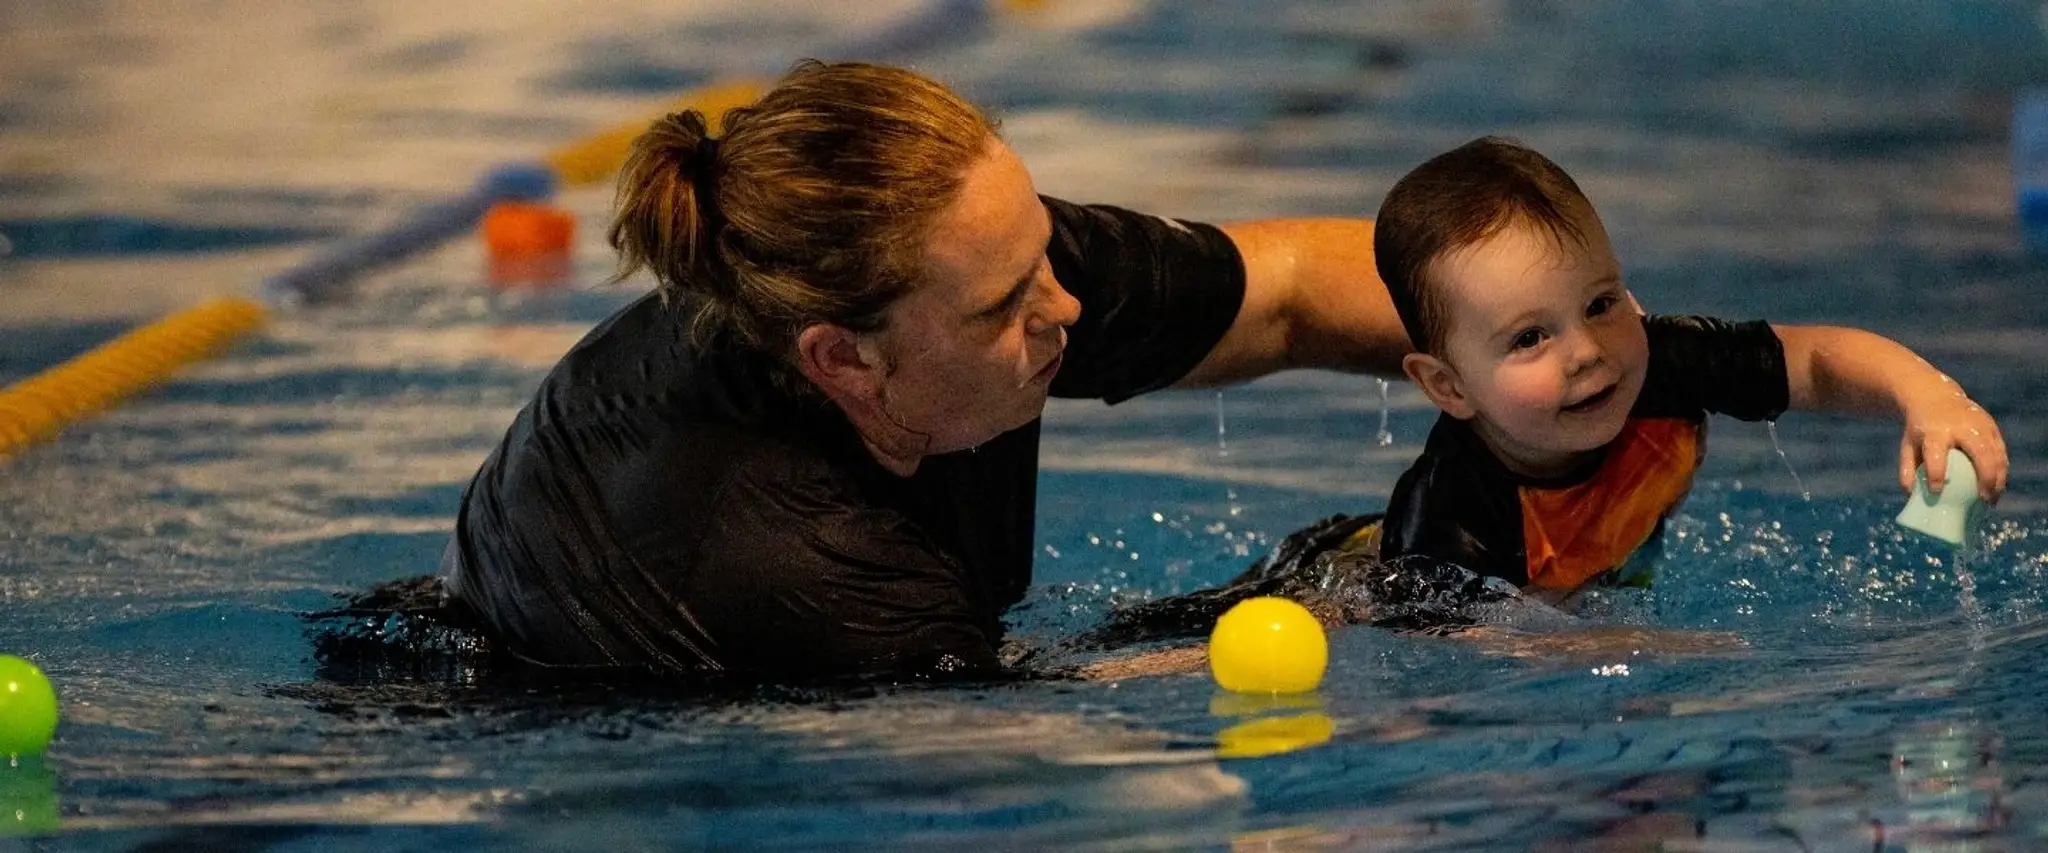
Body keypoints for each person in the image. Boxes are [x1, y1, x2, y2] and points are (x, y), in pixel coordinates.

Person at [433, 59, 1415, 682]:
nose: (1065, 303)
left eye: (1043, 249)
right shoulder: (790, 563)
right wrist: (1367, 612)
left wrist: (1505, 344)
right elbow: (1013, 753)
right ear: (844, 361)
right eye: (1006, 302)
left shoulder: (982, 265)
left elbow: (1291, 290)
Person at [1352, 136, 2006, 595]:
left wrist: (1926, 395)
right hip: (1360, 576)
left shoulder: (1662, 363)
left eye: (1600, 303)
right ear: (1448, 386)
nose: (1586, 351)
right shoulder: (1449, 519)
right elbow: (1475, 650)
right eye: (1529, 338)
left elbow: (1812, 360)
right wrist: (1627, 647)